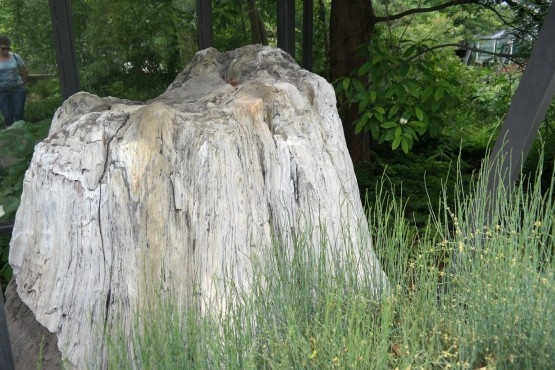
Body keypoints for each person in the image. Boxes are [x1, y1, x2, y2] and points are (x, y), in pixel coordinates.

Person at [0, 35, 28, 127]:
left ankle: (22, 137)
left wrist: (22, 84)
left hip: (18, 90)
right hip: (2, 92)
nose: (6, 51)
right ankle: (9, 138)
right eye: (3, 49)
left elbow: (24, 71)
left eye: (8, 48)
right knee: (7, 115)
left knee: (18, 113)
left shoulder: (15, 57)